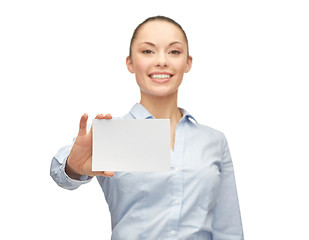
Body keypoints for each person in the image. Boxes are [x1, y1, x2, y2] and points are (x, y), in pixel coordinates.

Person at [50, 16, 244, 240]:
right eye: (148, 51)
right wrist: (72, 168)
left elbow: (228, 229)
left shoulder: (213, 141)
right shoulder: (116, 135)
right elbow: (63, 172)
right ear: (130, 63)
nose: (162, 61)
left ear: (188, 62)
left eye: (174, 51)